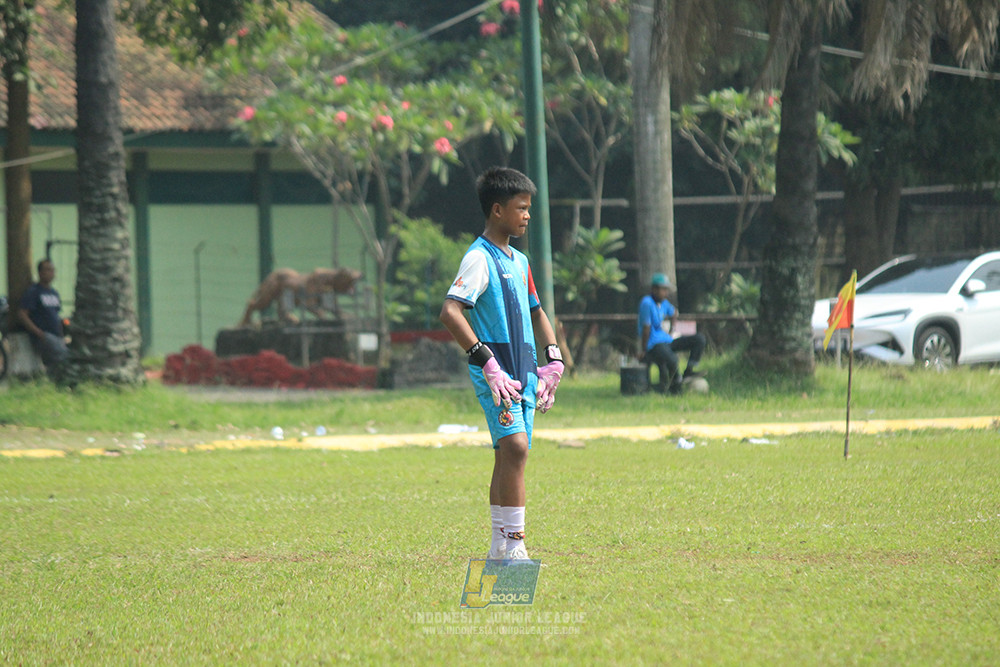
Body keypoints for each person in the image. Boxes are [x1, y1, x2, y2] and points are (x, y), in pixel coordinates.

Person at [440, 166, 564, 562]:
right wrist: (486, 363)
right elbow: (451, 311)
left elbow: (537, 312)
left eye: (528, 208)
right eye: (521, 208)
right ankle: (515, 544)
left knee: (508, 454)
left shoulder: (520, 261)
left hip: (524, 370)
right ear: (497, 210)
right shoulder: (479, 258)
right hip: (498, 374)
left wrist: (554, 359)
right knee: (516, 448)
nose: (527, 215)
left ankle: (499, 546)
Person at [638, 272, 705, 394]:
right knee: (673, 360)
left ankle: (689, 371)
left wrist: (672, 330)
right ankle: (675, 387)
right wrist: (643, 350)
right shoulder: (647, 303)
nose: (666, 293)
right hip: (653, 344)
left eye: (666, 290)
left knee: (699, 339)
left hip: (666, 340)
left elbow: (674, 312)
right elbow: (646, 329)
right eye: (663, 289)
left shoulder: (663, 303)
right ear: (654, 289)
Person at [17, 259, 69, 372]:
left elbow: (56, 314)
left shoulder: (54, 293)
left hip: (57, 336)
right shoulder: (34, 292)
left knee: (56, 364)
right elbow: (23, 314)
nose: (51, 273)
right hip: (44, 335)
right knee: (64, 357)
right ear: (40, 272)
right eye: (47, 270)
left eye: (52, 270)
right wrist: (38, 332)